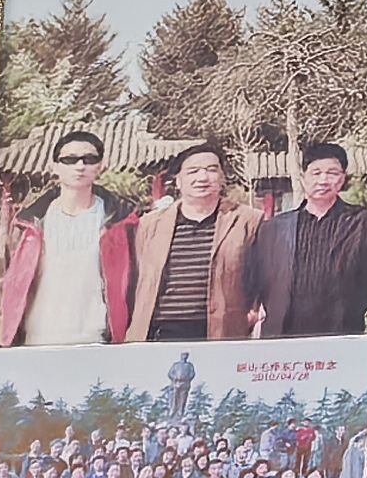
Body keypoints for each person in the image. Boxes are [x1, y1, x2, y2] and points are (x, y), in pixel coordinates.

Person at [105, 144, 259, 345]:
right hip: (159, 330)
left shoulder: (248, 221)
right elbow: (133, 279)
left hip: (220, 329)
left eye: (211, 170)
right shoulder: (149, 225)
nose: (202, 177)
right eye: (193, 171)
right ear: (178, 181)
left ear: (223, 177)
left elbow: (261, 275)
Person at [248, 141, 367, 337]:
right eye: (316, 172)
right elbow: (261, 279)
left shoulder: (364, 223)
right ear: (303, 178)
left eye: (332, 173)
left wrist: (347, 313)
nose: (323, 180)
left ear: (343, 178)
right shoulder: (274, 228)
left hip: (340, 330)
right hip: (283, 332)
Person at [0, 130, 114, 349]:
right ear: (55, 166)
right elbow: (9, 281)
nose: (80, 166)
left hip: (97, 337)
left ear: (100, 166)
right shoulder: (27, 224)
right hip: (39, 336)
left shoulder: (119, 220)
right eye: (70, 160)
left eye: (89, 159)